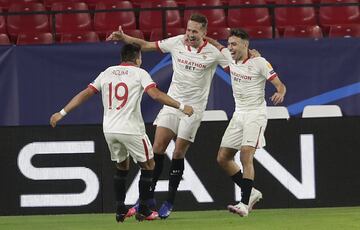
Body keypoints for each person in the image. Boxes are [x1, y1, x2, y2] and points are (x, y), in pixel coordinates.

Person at [107, 13, 233, 219]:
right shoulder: (177, 42)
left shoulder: (213, 53)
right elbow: (147, 45)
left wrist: (219, 45)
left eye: (195, 31)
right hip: (173, 104)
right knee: (157, 149)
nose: (190, 34)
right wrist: (125, 38)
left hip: (193, 109)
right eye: (188, 29)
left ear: (204, 32)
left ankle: (170, 201)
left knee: (178, 154)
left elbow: (234, 65)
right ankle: (146, 200)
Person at [49, 44, 194, 222]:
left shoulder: (107, 72)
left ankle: (120, 209)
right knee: (149, 166)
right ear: (137, 58)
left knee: (122, 166)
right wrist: (181, 106)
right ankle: (144, 209)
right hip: (131, 129)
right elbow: (155, 95)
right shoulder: (140, 73)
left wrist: (62, 112)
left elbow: (86, 93)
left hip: (109, 129)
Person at [206, 28, 286, 217]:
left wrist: (280, 92)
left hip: (255, 114)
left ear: (245, 44)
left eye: (234, 44)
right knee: (223, 158)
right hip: (238, 114)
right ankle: (251, 192)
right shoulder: (228, 56)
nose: (230, 47)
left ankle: (244, 203)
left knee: (245, 154)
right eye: (229, 44)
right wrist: (200, 37)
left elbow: (280, 85)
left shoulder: (260, 62)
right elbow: (215, 44)